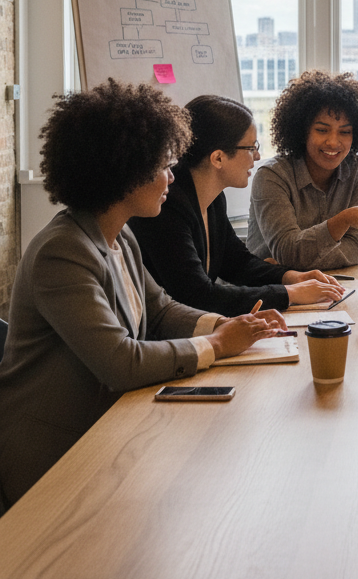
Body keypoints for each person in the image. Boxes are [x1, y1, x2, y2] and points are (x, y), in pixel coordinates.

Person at [0, 80, 284, 510]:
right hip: (54, 455)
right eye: (164, 165)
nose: (172, 176)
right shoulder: (62, 252)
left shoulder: (119, 236)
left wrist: (222, 324)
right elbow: (120, 361)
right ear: (125, 171)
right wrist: (217, 344)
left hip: (108, 430)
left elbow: (160, 308)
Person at [130, 95, 345, 315]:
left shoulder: (212, 198)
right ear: (218, 158)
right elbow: (197, 296)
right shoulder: (167, 206)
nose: (258, 156)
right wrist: (290, 294)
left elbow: (236, 263)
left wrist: (290, 277)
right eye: (251, 148)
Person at [246, 69, 358, 271]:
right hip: (268, 291)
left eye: (345, 132)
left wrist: (295, 263)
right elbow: (287, 252)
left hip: (330, 286)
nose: (333, 142)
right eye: (322, 130)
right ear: (303, 131)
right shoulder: (272, 176)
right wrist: (344, 220)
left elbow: (357, 249)